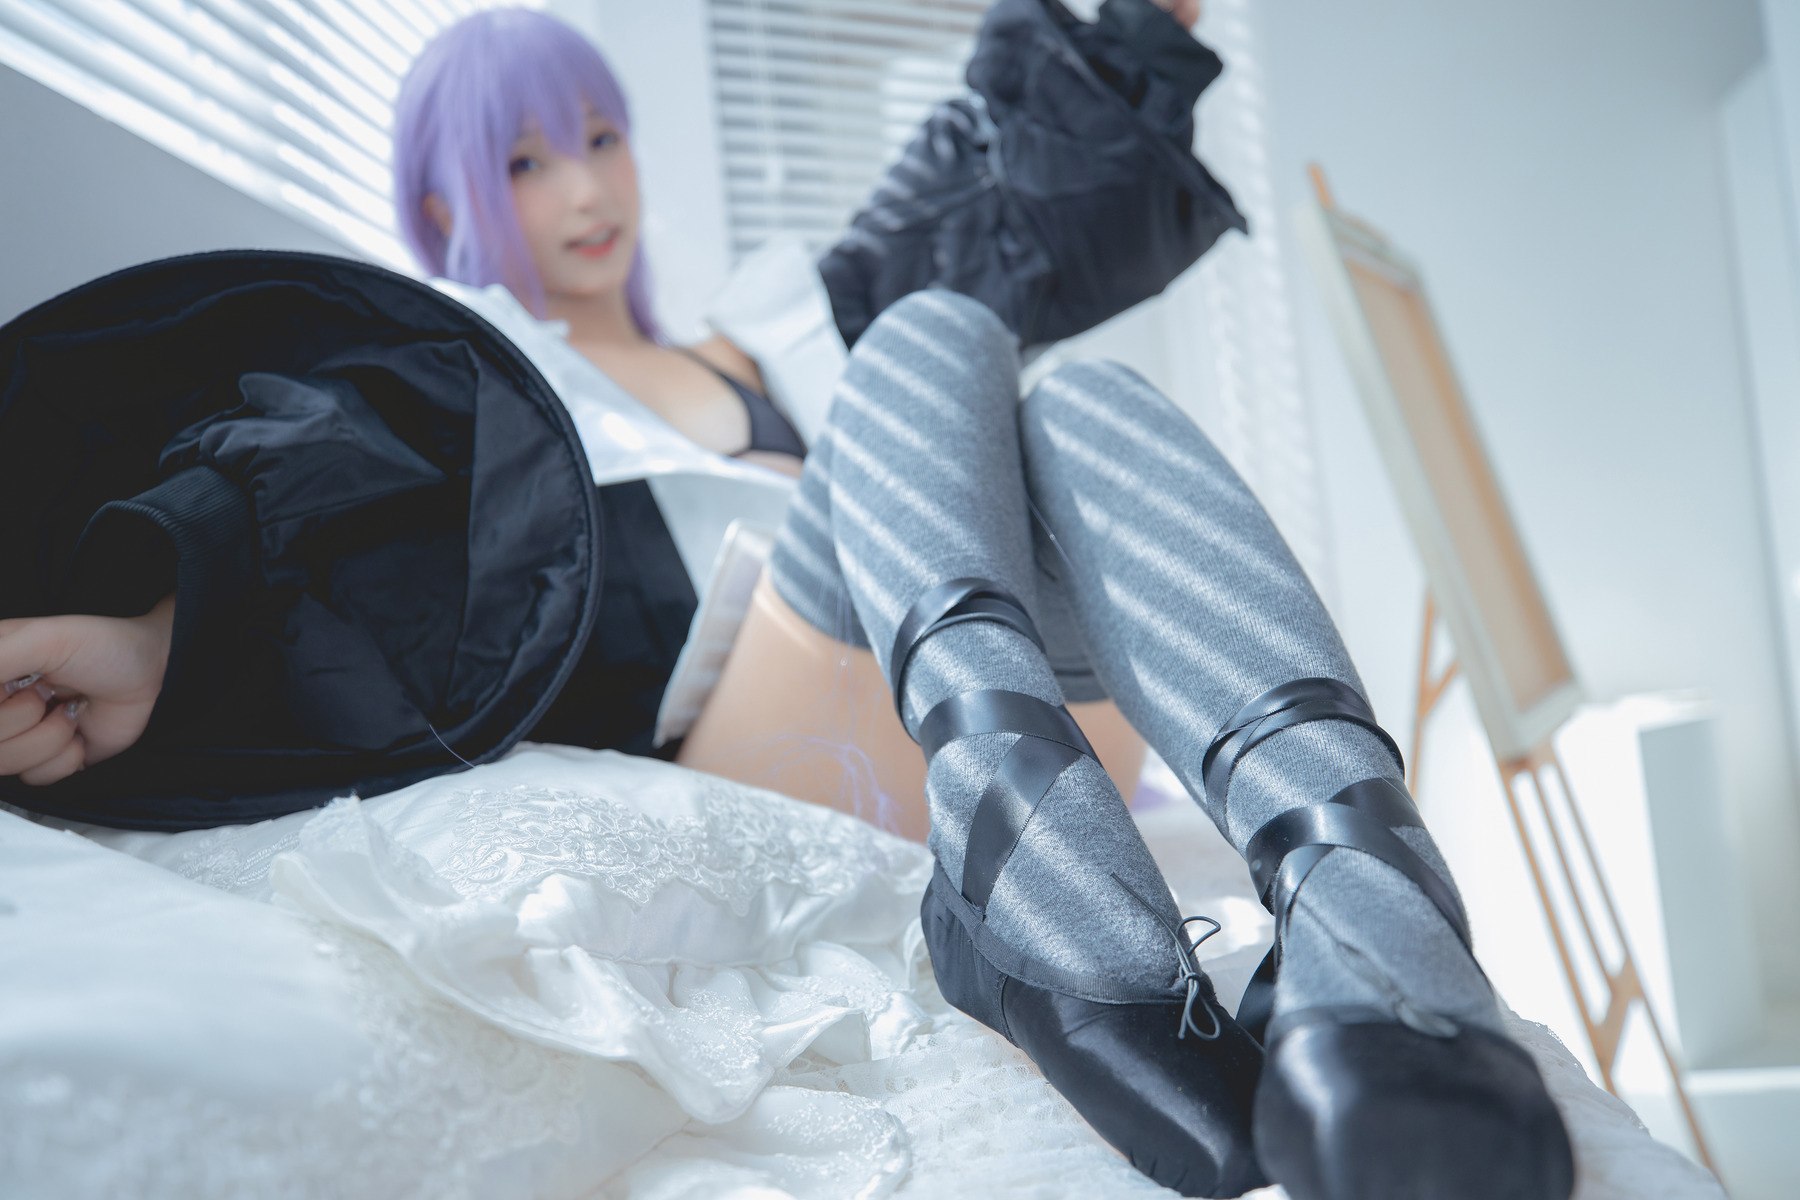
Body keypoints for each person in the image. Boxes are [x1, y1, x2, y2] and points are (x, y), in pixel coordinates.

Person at [0, 8, 1575, 1199]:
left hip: (977, 694)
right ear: (450, 194)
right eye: (526, 161)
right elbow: (333, 545)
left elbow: (1002, 199)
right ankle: (1123, 867)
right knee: (935, 331)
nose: (584, 188)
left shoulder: (758, 335)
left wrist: (1136, 31)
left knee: (1071, 398)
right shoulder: (469, 401)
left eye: (600, 137)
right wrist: (161, 625)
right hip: (775, 732)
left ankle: (1344, 899)